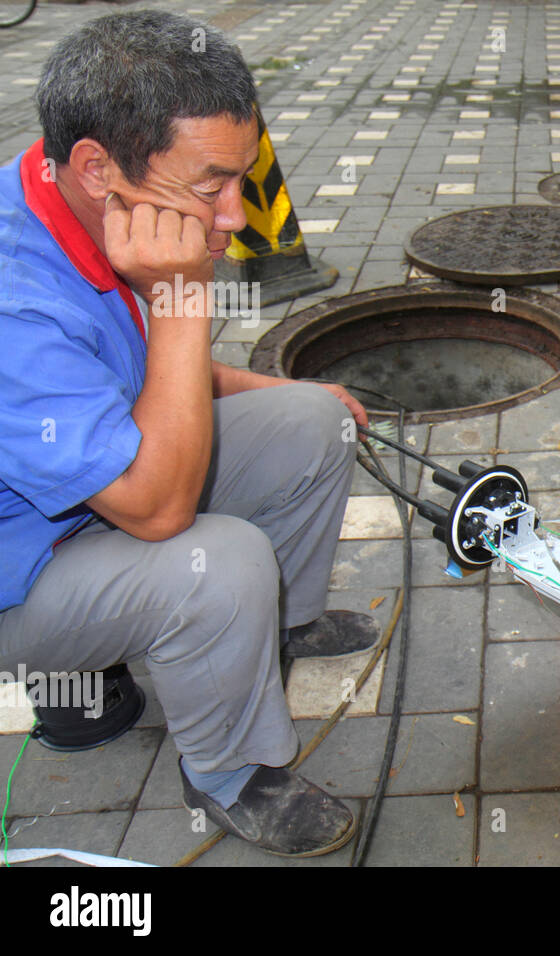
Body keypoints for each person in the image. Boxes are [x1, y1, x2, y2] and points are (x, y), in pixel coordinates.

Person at [0, 11, 379, 857]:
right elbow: (159, 510)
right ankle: (233, 773)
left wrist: (289, 387)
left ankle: (280, 625)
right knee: (219, 559)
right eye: (211, 185)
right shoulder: (12, 300)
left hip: (91, 490)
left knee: (312, 420)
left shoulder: (60, 191)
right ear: (98, 166)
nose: (236, 217)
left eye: (238, 180)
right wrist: (180, 297)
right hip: (20, 570)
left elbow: (138, 376)